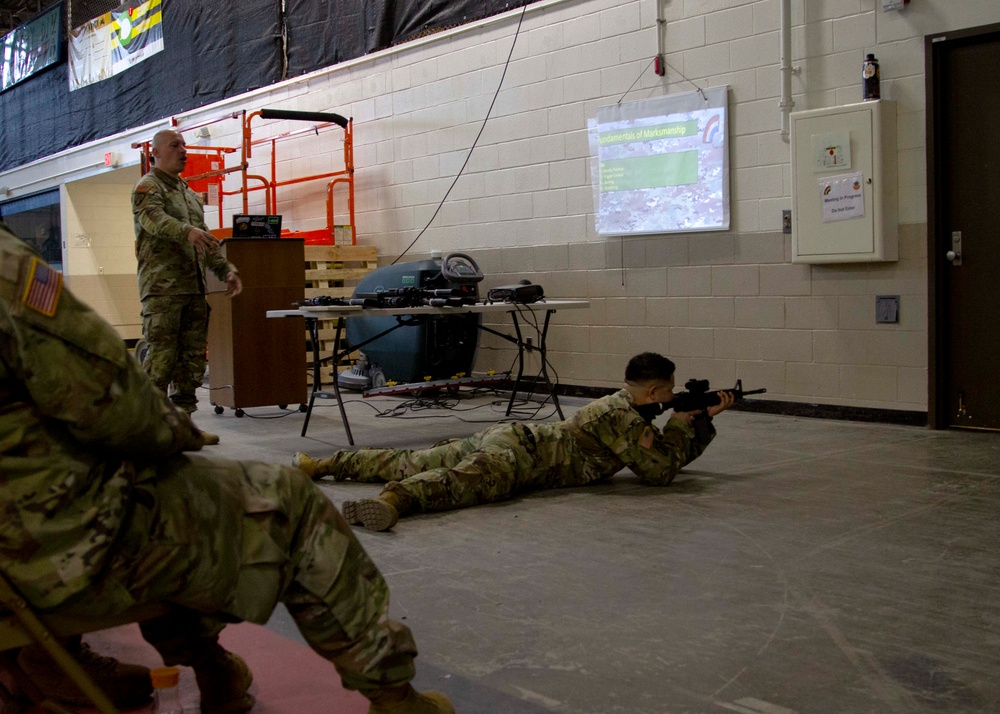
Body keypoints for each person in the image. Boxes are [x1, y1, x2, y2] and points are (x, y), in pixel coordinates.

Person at [0, 222, 453, 714]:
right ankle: (393, 696)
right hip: (45, 547)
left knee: (182, 494)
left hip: (17, 550)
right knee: (281, 500)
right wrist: (175, 431)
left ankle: (200, 666)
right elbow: (111, 404)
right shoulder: (9, 269)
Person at [293, 352, 735, 532]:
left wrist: (697, 419)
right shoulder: (622, 418)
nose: (673, 397)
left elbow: (659, 455)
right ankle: (394, 503)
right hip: (525, 459)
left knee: (411, 457)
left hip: (513, 437)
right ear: (655, 393)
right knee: (459, 482)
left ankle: (324, 465)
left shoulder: (620, 405)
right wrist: (684, 422)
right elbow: (659, 470)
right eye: (671, 391)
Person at [133, 129, 242, 435]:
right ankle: (148, 432)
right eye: (175, 145)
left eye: (184, 145)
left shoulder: (189, 194)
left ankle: (184, 431)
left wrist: (225, 270)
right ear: (155, 152)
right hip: (163, 292)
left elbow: (205, 240)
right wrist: (186, 231)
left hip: (194, 290)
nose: (183, 150)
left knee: (191, 365)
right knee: (161, 363)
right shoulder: (147, 188)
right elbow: (152, 220)